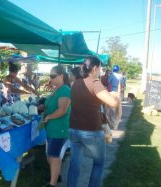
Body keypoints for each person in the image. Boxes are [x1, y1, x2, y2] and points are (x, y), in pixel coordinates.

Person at [67, 56, 120, 187]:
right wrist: (116, 96)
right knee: (99, 163)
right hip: (91, 131)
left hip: (74, 129)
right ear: (95, 68)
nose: (100, 71)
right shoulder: (95, 83)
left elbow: (88, 101)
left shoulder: (76, 83)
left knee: (74, 165)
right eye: (100, 68)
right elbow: (112, 103)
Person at [42, 65, 71, 187]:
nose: (51, 78)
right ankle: (56, 176)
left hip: (59, 129)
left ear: (61, 76)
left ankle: (53, 183)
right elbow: (51, 104)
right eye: (50, 76)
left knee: (53, 156)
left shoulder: (65, 90)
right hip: (52, 129)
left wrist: (48, 117)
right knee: (51, 155)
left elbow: (62, 110)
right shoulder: (57, 89)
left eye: (53, 76)